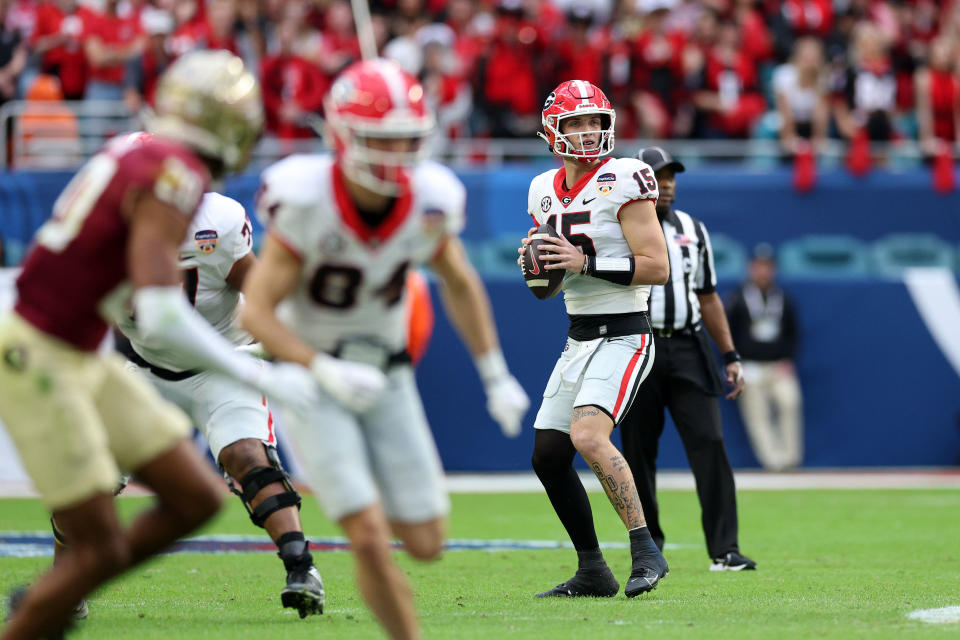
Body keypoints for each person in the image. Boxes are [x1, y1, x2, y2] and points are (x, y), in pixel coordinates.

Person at [0, 50, 319, 640]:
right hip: (43, 354)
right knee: (94, 532)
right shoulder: (172, 175)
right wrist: (266, 373)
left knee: (196, 498)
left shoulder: (134, 155)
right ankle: (50, 602)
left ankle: (57, 594)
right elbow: (160, 311)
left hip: (78, 352)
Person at [241, 58, 529, 640]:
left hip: (389, 378)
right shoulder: (305, 197)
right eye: (381, 140)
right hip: (316, 380)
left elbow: (460, 280)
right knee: (369, 535)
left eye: (406, 139)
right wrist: (317, 365)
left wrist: (494, 372)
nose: (397, 154)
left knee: (425, 543)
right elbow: (256, 312)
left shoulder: (430, 198)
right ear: (343, 136)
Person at [111, 184, 324, 617]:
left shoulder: (216, 221)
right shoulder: (100, 232)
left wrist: (278, 338)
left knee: (248, 456)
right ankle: (65, 587)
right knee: (91, 476)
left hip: (221, 364)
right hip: (145, 369)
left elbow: (259, 290)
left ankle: (302, 568)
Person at [519, 79, 671, 599]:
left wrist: (586, 262)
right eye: (575, 123)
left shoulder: (627, 176)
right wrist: (539, 268)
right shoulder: (541, 189)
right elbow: (546, 291)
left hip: (627, 332)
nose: (587, 133)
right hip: (579, 335)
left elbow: (658, 266)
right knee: (547, 454)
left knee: (587, 435)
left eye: (594, 122)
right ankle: (592, 570)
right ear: (551, 132)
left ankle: (646, 549)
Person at [620, 146, 756, 572]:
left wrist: (730, 353)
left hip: (687, 345)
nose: (666, 184)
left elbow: (709, 296)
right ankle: (649, 549)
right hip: (637, 345)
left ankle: (725, 549)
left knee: (711, 443)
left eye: (671, 176)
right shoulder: (616, 226)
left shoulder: (693, 230)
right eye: (657, 176)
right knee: (638, 452)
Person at [726, 244, 803, 471]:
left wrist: (789, 359)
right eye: (758, 267)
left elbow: (794, 333)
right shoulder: (738, 299)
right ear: (751, 268)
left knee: (790, 402)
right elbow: (727, 333)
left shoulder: (783, 298)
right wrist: (734, 364)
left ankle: (790, 458)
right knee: (756, 413)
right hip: (749, 367)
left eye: (767, 267)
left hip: (778, 366)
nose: (763, 272)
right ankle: (773, 462)